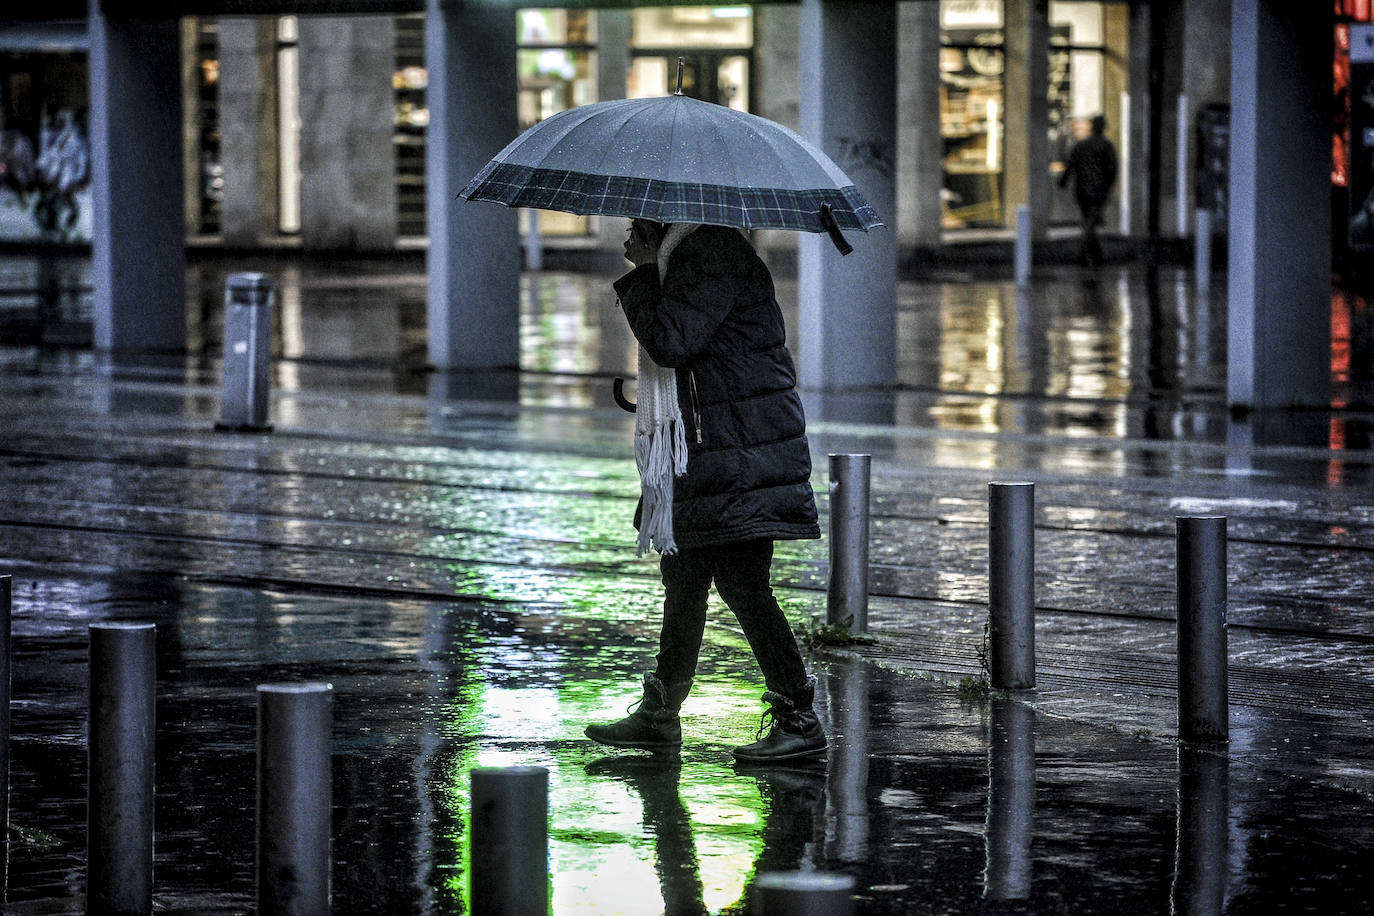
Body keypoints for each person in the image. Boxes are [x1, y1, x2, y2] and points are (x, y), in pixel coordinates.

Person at [584, 217, 828, 763]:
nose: (627, 222)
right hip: (708, 450)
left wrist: (645, 274)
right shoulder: (693, 252)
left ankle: (798, 715)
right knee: (686, 576)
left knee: (742, 582)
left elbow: (672, 341)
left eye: (634, 213)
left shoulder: (708, 252)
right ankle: (661, 712)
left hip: (734, 449)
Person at [1059, 114, 1118, 266]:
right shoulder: (1107, 146)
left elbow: (1071, 165)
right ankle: (1087, 253)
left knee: (1088, 220)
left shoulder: (1081, 145)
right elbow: (1112, 170)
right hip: (1098, 190)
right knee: (1090, 221)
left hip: (1082, 190)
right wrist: (1108, 187)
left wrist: (1063, 181)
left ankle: (1092, 254)